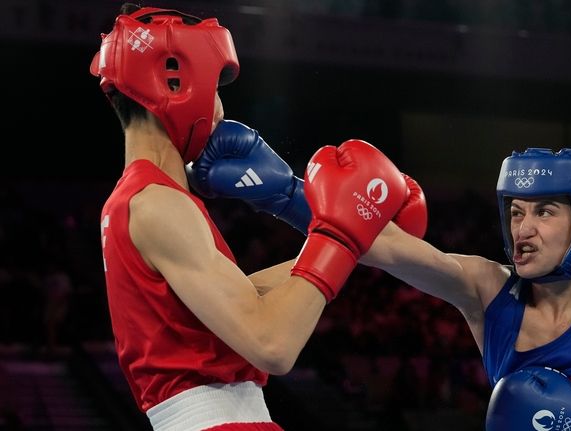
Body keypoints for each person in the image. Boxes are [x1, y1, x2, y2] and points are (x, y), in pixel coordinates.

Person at [197, 146, 571, 429]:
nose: (523, 230)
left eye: (544, 211)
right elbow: (382, 242)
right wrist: (285, 193)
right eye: (515, 212)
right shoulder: (487, 288)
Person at [90, 4, 411, 430]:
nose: (220, 107)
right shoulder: (157, 204)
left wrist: (350, 239)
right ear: (175, 81)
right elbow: (272, 343)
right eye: (215, 88)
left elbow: (245, 298)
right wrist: (340, 236)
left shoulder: (133, 200)